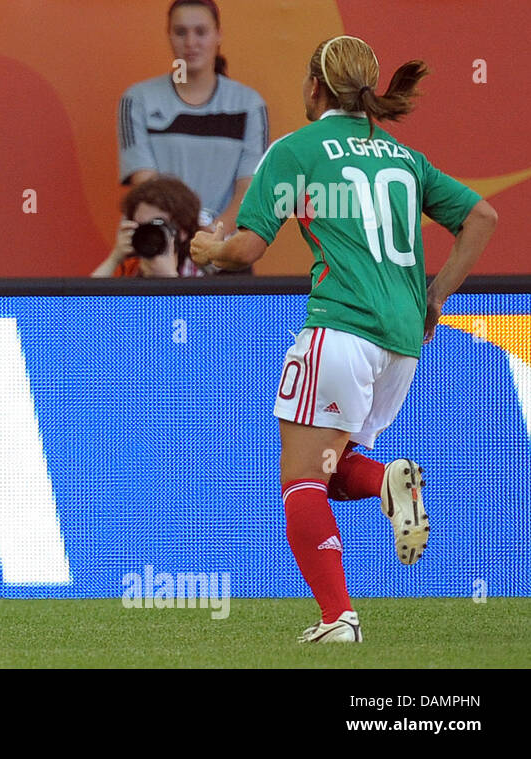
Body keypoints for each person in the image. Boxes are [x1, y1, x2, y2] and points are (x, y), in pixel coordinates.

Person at [190, 35, 497, 643]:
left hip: (341, 326)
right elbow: (481, 217)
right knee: (330, 470)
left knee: (299, 480)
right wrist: (434, 299)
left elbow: (246, 250)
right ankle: (385, 479)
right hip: (403, 343)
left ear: (313, 87)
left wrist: (209, 250)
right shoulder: (404, 158)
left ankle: (338, 618)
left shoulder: (295, 150)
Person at [118, 0, 268, 233]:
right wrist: (182, 239)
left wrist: (209, 239)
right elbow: (146, 185)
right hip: (161, 251)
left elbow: (249, 189)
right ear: (168, 35)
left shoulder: (249, 104)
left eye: (201, 32)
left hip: (226, 253)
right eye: (180, 32)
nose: (191, 43)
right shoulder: (138, 99)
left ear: (218, 35)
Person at [92, 176, 243, 277]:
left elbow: (201, 320)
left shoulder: (206, 265)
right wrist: (114, 258)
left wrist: (169, 278)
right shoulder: (132, 267)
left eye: (157, 224)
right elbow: (86, 308)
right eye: (141, 226)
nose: (148, 233)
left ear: (182, 230)